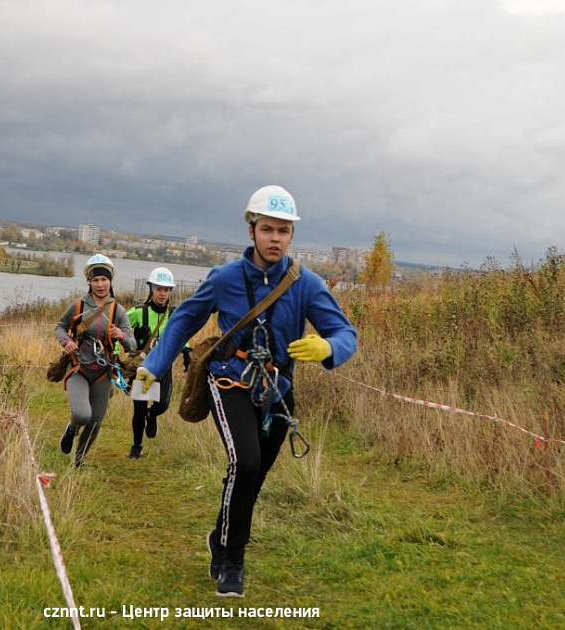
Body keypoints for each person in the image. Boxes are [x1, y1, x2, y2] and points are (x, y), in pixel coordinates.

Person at [136, 185, 358, 598]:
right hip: (228, 379)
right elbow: (184, 319)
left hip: (278, 390)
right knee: (248, 462)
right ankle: (232, 563)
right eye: (268, 229)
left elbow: (346, 332)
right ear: (251, 231)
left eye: (284, 231)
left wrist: (329, 347)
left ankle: (221, 538)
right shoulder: (225, 279)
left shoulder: (307, 284)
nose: (276, 238)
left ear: (292, 236)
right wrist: (154, 364)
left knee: (251, 477)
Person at [56, 254, 136, 467]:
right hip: (79, 369)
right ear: (89, 282)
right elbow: (60, 326)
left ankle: (79, 460)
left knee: (95, 423)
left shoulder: (118, 311)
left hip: (103, 373)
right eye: (95, 280)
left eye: (104, 279)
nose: (100, 284)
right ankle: (71, 428)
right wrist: (66, 342)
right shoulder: (79, 306)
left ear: (110, 282)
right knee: (82, 414)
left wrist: (122, 336)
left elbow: (133, 345)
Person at [125, 267, 191, 459]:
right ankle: (136, 446)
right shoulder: (138, 312)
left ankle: (152, 416)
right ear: (151, 289)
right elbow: (120, 329)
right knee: (139, 409)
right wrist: (116, 353)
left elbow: (182, 334)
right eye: (159, 289)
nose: (162, 294)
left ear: (170, 291)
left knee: (162, 405)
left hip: (164, 367)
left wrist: (187, 351)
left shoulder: (174, 314)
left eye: (166, 290)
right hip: (142, 368)